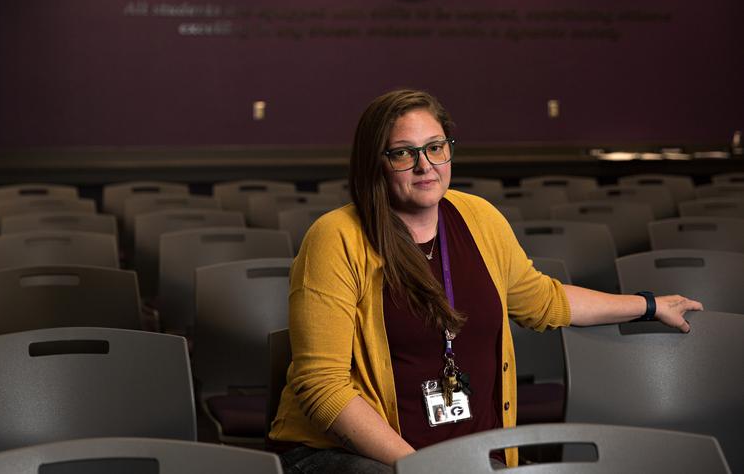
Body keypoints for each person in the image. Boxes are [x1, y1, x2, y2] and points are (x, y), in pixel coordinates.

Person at [268, 89, 703, 473]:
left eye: (435, 147)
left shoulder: (478, 217)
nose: (425, 166)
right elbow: (322, 386)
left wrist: (647, 305)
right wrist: (422, 468)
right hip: (356, 455)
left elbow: (543, 300)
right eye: (403, 153)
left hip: (466, 454)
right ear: (375, 162)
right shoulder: (336, 237)